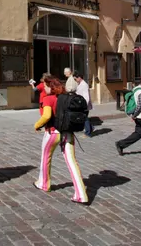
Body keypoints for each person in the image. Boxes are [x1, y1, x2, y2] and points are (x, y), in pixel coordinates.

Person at [33, 73, 89, 204]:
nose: (44, 88)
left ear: (50, 87)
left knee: (46, 158)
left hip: (53, 133)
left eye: (45, 86)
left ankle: (44, 183)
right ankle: (81, 194)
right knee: (72, 162)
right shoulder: (64, 97)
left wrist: (37, 125)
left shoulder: (49, 99)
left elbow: (46, 116)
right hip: (68, 132)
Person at [73, 73, 94, 137]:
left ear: (79, 77)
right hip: (81, 104)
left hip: (84, 105)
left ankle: (88, 133)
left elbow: (86, 96)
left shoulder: (84, 85)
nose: (75, 80)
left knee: (84, 118)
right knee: (84, 117)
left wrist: (84, 106)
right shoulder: (81, 84)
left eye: (75, 79)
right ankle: (91, 128)